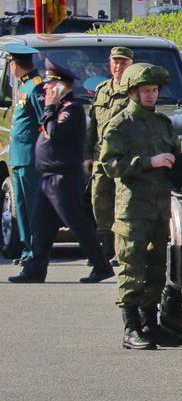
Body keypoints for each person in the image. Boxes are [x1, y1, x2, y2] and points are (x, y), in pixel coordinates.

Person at [7, 60, 115, 283]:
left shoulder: (72, 110)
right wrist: (51, 107)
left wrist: (49, 107)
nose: (45, 88)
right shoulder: (57, 108)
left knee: (77, 223)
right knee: (41, 224)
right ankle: (34, 270)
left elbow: (53, 131)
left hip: (63, 176)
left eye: (50, 85)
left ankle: (101, 266)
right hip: (48, 177)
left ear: (60, 86)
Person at [99, 63, 179, 350]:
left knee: (157, 267)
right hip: (133, 209)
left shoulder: (163, 124)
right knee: (132, 266)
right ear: (132, 92)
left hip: (160, 206)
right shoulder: (120, 125)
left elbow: (176, 158)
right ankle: (130, 328)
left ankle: (150, 325)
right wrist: (148, 162)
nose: (150, 95)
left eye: (154, 90)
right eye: (145, 91)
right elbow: (109, 164)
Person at [86, 47, 134, 261]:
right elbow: (93, 125)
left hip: (122, 157)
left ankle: (119, 248)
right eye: (115, 62)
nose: (118, 66)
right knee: (99, 200)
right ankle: (105, 247)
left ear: (131, 64)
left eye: (123, 62)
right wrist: (87, 154)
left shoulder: (134, 91)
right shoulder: (102, 89)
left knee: (121, 203)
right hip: (100, 157)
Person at [3, 43, 43, 266]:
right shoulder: (23, 86)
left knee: (32, 206)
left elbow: (43, 123)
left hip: (30, 157)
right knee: (20, 206)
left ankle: (35, 250)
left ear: (15, 63)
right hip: (18, 157)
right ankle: (27, 250)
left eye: (10, 62)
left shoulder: (36, 86)